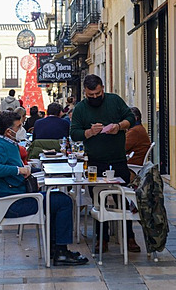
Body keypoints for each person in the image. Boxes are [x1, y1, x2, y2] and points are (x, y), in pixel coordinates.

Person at [0, 111, 88, 266]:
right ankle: (60, 251)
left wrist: (27, 169)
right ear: (8, 131)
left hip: (18, 196)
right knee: (64, 201)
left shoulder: (6, 143)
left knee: (56, 200)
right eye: (19, 126)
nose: (21, 129)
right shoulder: (0, 146)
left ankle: (55, 248)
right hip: (14, 203)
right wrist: (18, 170)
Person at [70, 74, 140, 253]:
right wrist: (89, 132)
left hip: (118, 159)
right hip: (96, 161)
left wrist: (119, 126)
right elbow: (74, 133)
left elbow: (131, 118)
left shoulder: (114, 101)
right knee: (98, 201)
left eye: (98, 94)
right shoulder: (80, 109)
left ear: (103, 88)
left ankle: (129, 236)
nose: (94, 98)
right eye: (90, 95)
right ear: (85, 93)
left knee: (123, 198)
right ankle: (102, 238)